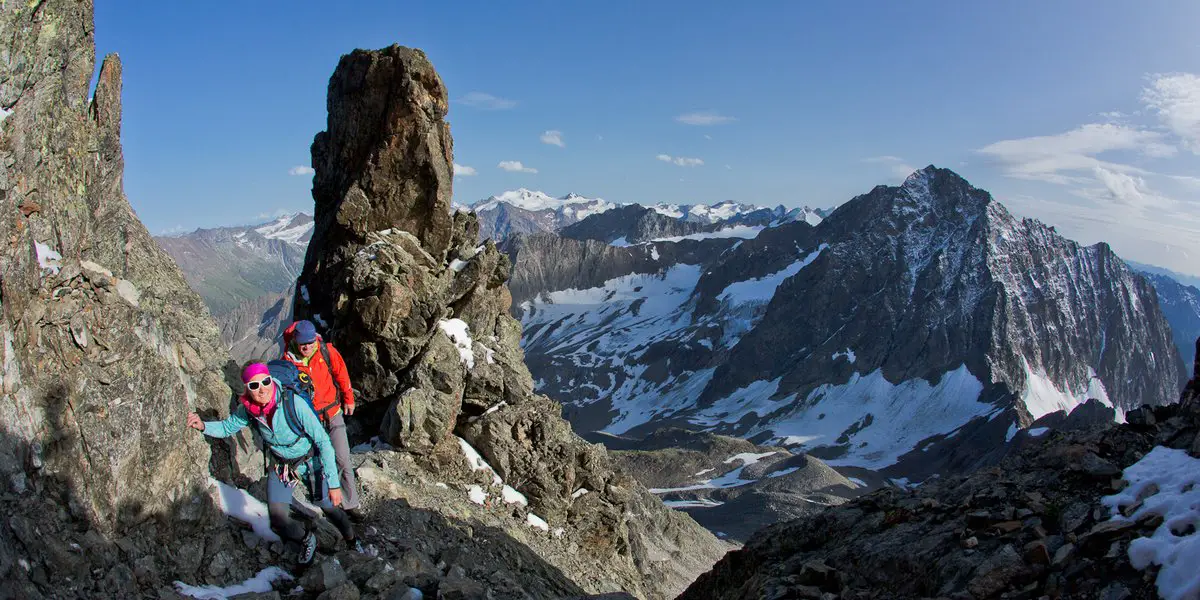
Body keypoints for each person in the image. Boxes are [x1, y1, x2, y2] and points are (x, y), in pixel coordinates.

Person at [187, 362, 354, 564]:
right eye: (254, 385)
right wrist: (203, 425)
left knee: (327, 504)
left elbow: (323, 441)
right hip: (283, 465)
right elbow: (226, 427)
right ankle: (306, 539)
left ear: (270, 379)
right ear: (247, 388)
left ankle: (351, 539)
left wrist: (334, 485)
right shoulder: (248, 409)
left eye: (265, 381)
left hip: (310, 461)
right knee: (277, 517)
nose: (262, 388)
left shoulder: (292, 403)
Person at [281, 319, 363, 521]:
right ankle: (327, 503)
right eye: (303, 343)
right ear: (295, 341)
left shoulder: (326, 352)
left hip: (332, 413)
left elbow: (341, 374)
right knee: (317, 461)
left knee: (343, 457)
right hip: (308, 420)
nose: (307, 347)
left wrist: (349, 398)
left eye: (310, 342)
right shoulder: (288, 360)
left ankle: (350, 503)